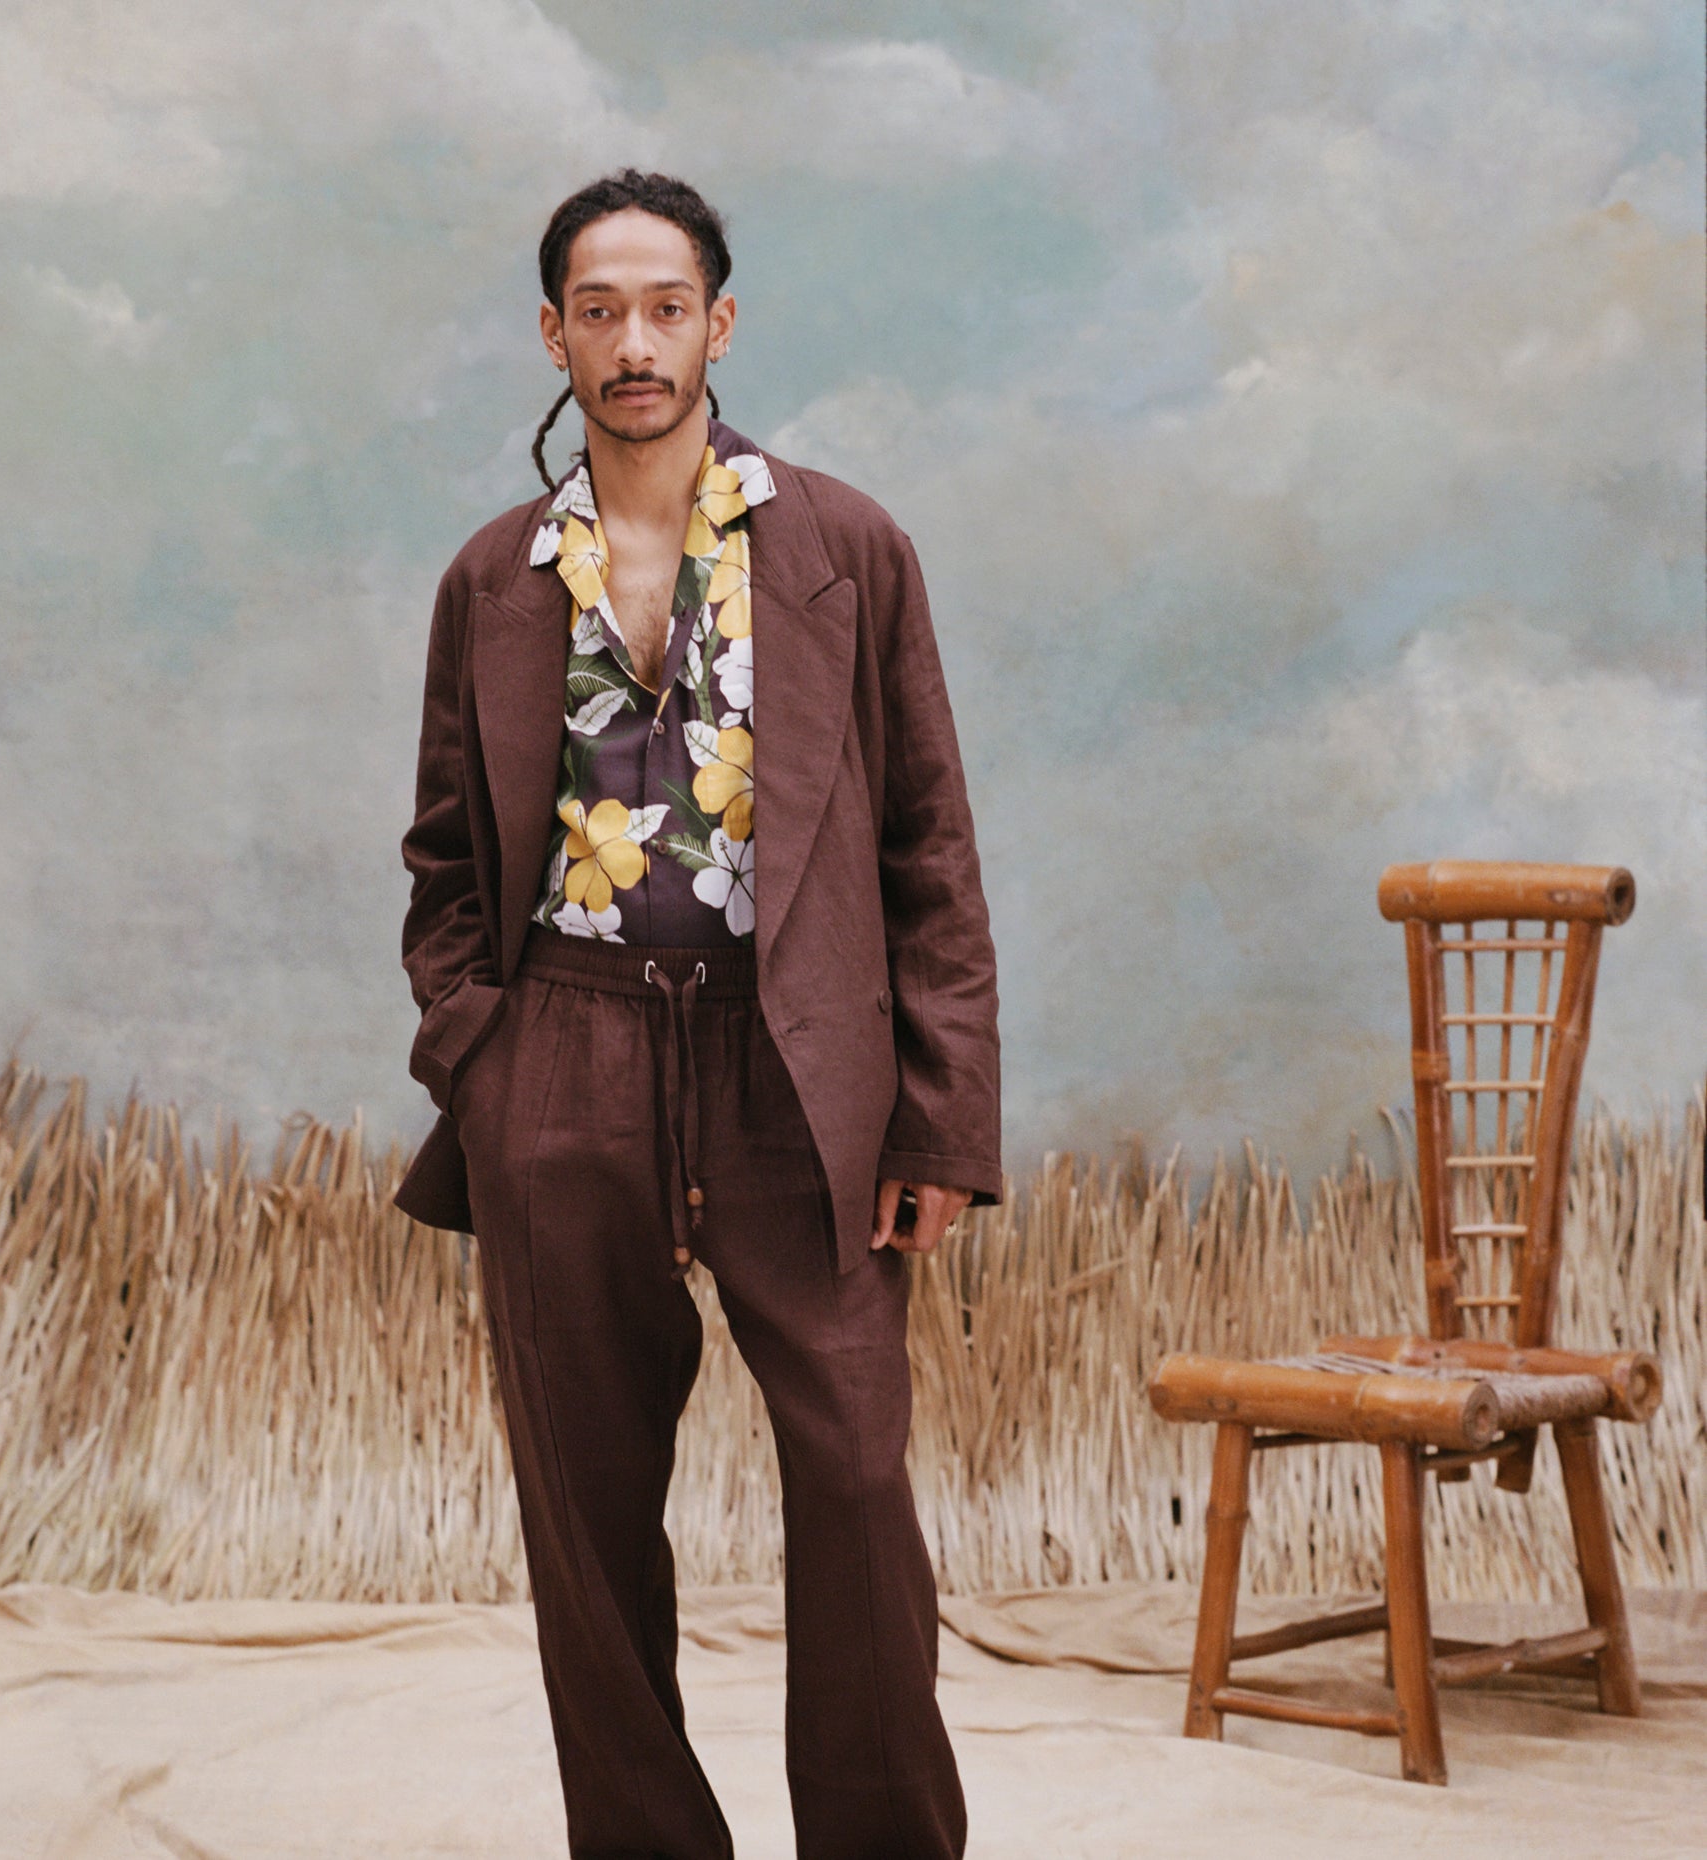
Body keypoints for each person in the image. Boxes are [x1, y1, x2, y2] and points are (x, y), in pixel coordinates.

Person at [391, 167, 1000, 1860]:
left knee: (861, 1486)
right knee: (584, 1510)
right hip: (565, 1051)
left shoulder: (849, 549)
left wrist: (941, 1118)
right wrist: (484, 1056)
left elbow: (927, 843)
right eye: (600, 310)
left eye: (667, 308)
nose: (635, 342)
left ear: (720, 325)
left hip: (791, 1056)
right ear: (555, 335)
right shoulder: (491, 581)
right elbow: (446, 859)